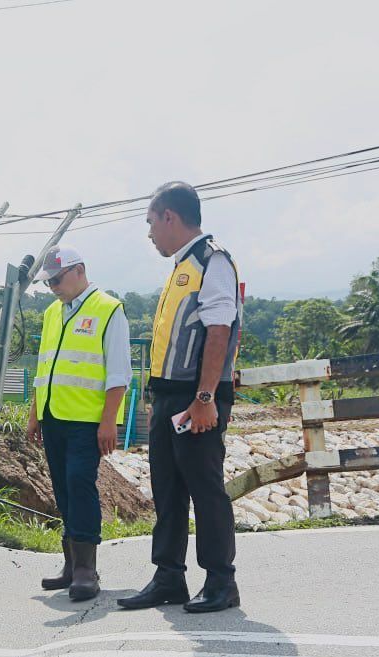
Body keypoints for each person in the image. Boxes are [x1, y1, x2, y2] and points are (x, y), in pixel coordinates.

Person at [118, 181, 243, 614]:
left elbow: (219, 331)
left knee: (205, 488)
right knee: (167, 489)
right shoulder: (182, 266)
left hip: (197, 399)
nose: (150, 233)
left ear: (170, 216)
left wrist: (205, 397)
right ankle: (169, 576)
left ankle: (220, 581)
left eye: (151, 222)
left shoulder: (213, 261)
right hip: (169, 398)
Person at [26, 247, 130, 602]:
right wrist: (35, 412)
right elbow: (44, 367)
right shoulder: (53, 313)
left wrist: (109, 421)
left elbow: (119, 373)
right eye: (48, 281)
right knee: (62, 487)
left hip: (88, 421)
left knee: (79, 483)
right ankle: (70, 564)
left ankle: (87, 569)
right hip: (54, 416)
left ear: (79, 271)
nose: (52, 286)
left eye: (57, 279)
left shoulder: (108, 309)